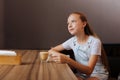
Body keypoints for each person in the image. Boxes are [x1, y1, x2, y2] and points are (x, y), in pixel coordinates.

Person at [48, 12, 109, 80]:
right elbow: (52, 50)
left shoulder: (95, 42)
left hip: (97, 75)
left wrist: (67, 59)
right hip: (81, 75)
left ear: (84, 24)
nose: (69, 25)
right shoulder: (72, 41)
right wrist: (62, 57)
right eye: (68, 23)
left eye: (73, 21)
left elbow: (89, 71)